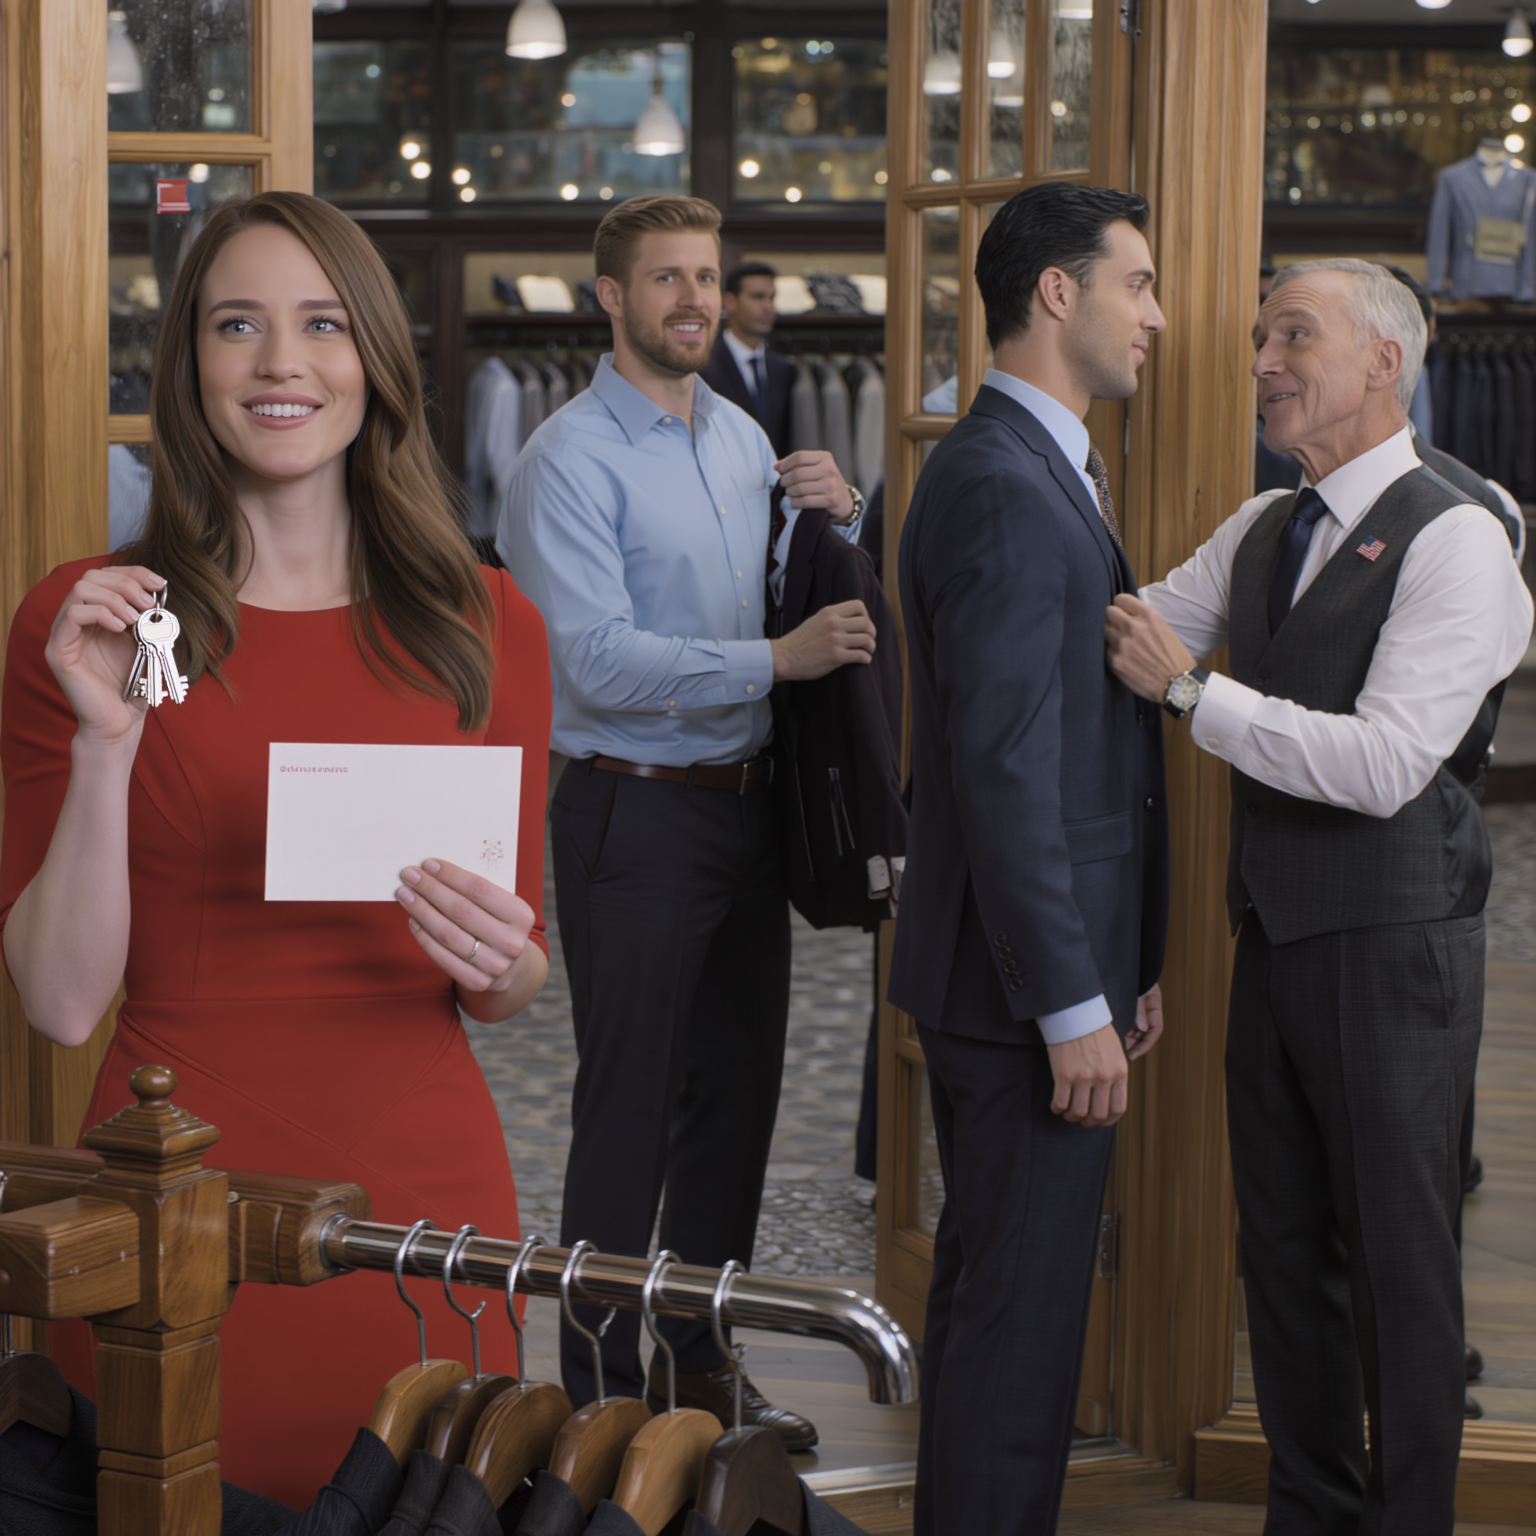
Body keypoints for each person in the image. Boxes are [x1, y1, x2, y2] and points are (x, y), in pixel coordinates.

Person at [0, 191, 552, 1507]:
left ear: (373, 357)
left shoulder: (488, 624)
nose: (280, 363)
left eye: (319, 324)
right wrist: (107, 743)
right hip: (166, 1194)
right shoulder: (88, 623)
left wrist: (511, 962)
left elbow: (512, 977)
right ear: (190, 365)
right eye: (236, 325)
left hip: (425, 1191)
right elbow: (62, 998)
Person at [1106, 258, 1534, 1536]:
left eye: (1294, 334)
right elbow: (1129, 624)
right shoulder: (1261, 525)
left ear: (1382, 362)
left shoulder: (1465, 530)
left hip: (1399, 949)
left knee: (1402, 1268)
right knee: (1284, 1256)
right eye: (1257, 337)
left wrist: (1191, 693)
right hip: (1276, 941)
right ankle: (1313, 1517)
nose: (1262, 362)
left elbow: (1388, 764)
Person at [497, 193, 871, 1444]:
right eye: (666, 279)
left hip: (746, 812)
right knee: (629, 1112)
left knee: (736, 1105)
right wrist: (782, 659)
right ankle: (596, 1400)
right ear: (611, 296)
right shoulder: (566, 459)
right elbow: (594, 664)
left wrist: (838, 515)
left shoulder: (744, 439)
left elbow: (782, 584)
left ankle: (701, 1366)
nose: (694, 300)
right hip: (632, 811)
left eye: (706, 276)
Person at [888, 183, 1170, 1536]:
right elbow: (1002, 777)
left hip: (1043, 975)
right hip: (1019, 1004)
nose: (1159, 318)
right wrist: (1070, 1002)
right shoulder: (1003, 479)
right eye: (1140, 284)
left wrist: (1128, 967)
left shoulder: (1031, 460)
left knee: (1005, 1318)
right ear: (1058, 292)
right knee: (1015, 1331)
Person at [700, 260, 795, 457]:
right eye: (758, 297)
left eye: (771, 298)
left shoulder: (781, 368)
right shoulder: (704, 366)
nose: (768, 306)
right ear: (730, 301)